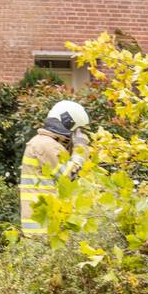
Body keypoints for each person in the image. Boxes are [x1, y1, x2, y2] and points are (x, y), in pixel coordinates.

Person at [19, 100, 90, 238]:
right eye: (76, 130)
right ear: (68, 122)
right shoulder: (46, 145)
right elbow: (68, 177)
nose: (76, 134)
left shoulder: (44, 143)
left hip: (43, 224)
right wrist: (81, 149)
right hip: (43, 229)